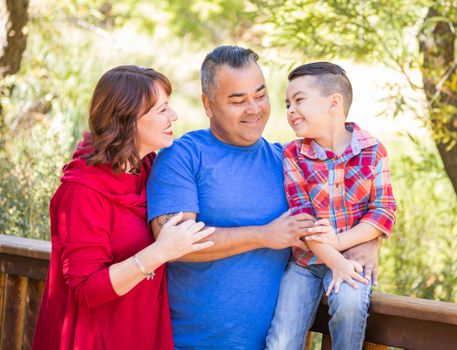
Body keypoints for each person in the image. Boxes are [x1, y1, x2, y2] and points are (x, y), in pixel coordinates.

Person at [147, 46, 382, 349]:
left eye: (260, 95)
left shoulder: (287, 161)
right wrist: (265, 235)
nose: (254, 109)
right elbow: (172, 242)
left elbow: (345, 209)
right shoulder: (183, 155)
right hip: (191, 343)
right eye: (238, 100)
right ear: (208, 105)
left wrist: (369, 240)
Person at [32, 65, 214, 350]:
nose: (174, 116)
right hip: (94, 336)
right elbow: (85, 289)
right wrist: (160, 252)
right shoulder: (81, 191)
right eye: (162, 110)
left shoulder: (150, 168)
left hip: (143, 328)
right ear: (129, 120)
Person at [265, 62, 397, 350]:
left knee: (350, 308)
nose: (289, 110)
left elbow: (383, 211)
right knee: (282, 341)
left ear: (333, 103)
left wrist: (340, 244)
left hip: (352, 257)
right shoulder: (293, 155)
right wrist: (334, 259)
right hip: (305, 264)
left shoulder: (373, 150)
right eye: (287, 103)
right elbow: (303, 221)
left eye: (299, 100)